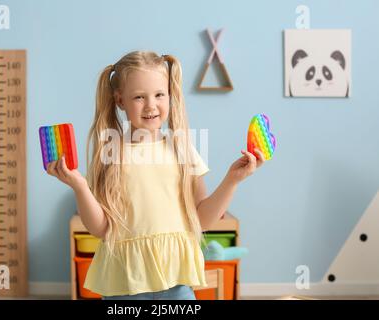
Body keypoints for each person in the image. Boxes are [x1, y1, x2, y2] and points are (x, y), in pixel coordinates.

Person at [46, 51, 265, 300]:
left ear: (170, 95)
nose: (151, 105)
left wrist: (232, 179)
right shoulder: (111, 152)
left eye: (159, 95)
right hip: (125, 283)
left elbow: (202, 220)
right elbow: (101, 228)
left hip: (177, 281)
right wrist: (80, 186)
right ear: (120, 101)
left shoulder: (182, 149)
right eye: (139, 97)